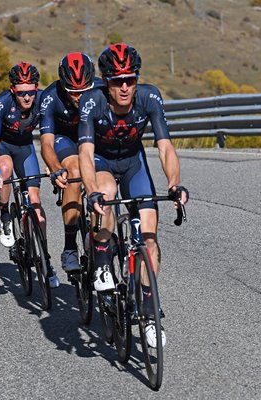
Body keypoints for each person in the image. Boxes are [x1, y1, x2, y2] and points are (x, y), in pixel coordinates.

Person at [78, 43, 189, 347]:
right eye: (117, 80)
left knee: (150, 242)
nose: (125, 87)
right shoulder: (92, 102)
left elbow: (165, 146)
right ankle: (101, 258)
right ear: (106, 82)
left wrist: (175, 183)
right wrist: (91, 193)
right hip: (101, 161)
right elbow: (85, 153)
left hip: (132, 163)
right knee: (107, 193)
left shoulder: (149, 97)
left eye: (131, 79)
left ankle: (149, 315)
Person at [0, 62, 59, 287]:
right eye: (21, 93)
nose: (27, 98)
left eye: (31, 92)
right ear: (12, 91)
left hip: (26, 148)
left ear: (36, 88)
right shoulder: (2, 103)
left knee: (35, 203)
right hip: (4, 147)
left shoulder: (42, 101)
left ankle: (45, 259)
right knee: (6, 170)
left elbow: (52, 136)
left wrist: (53, 163)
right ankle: (6, 214)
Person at [39, 52, 98, 274]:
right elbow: (46, 143)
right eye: (73, 92)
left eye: (85, 91)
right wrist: (55, 168)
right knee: (74, 170)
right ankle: (70, 247)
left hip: (92, 136)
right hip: (65, 140)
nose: (79, 97)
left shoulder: (101, 89)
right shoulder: (50, 96)